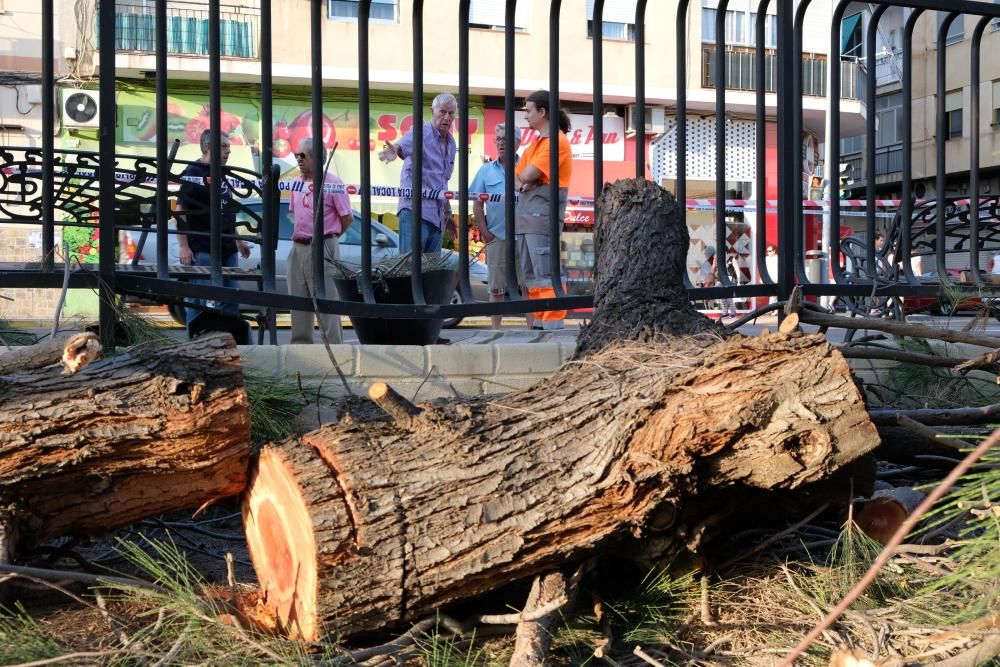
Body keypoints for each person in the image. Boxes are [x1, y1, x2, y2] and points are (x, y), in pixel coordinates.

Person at [176, 130, 252, 337]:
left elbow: (226, 210)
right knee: (200, 302)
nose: (229, 151)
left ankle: (227, 344)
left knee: (230, 300)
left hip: (227, 247)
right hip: (202, 246)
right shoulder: (194, 172)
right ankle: (196, 346)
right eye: (224, 146)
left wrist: (238, 241)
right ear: (209, 147)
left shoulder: (223, 172)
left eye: (229, 147)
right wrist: (183, 245)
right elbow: (180, 210)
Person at [513, 90, 573, 330]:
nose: (525, 116)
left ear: (542, 112)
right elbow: (517, 176)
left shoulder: (556, 141)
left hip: (542, 215)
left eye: (528, 111)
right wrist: (527, 180)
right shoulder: (538, 142)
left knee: (545, 270)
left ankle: (552, 321)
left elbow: (526, 175)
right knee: (532, 273)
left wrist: (528, 179)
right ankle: (540, 319)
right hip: (530, 217)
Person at [286, 138, 352, 344]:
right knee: (298, 301)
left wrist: (330, 240)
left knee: (327, 302)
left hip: (323, 245)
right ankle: (301, 349)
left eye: (303, 155)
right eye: (297, 155)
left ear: (317, 158)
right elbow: (293, 214)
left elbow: (347, 218)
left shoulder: (333, 183)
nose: (298, 159)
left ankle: (334, 349)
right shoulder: (296, 183)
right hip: (298, 247)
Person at [378, 93, 457, 255]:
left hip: (437, 217)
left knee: (431, 272)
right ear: (432, 111)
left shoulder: (451, 143)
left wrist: (447, 214)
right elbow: (403, 145)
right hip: (415, 211)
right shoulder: (421, 132)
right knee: (410, 269)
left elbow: (442, 182)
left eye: (451, 113)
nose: (447, 117)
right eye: (442, 112)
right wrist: (396, 150)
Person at [470, 123, 520, 329]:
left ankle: (531, 331)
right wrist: (484, 231)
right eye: (497, 139)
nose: (500, 144)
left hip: (524, 236)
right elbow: (476, 202)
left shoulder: (527, 167)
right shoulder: (485, 170)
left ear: (517, 143)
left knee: (527, 287)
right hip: (496, 237)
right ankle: (495, 331)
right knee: (496, 288)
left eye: (505, 140)